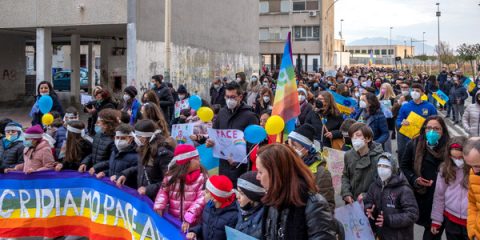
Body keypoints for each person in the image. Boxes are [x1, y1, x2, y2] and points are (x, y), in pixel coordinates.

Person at [256, 144, 336, 239]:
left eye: (260, 172)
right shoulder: (273, 200)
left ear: (277, 173)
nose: (257, 177)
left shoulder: (314, 204)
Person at [400, 116, 450, 240]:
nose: (432, 132)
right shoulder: (415, 143)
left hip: (441, 199)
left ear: (443, 131)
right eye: (428, 128)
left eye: (436, 129)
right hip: (420, 195)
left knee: (432, 235)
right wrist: (414, 179)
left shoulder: (449, 147)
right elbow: (404, 165)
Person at [206, 82, 259, 186]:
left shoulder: (250, 116)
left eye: (233, 97)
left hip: (241, 167)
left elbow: (254, 145)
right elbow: (215, 133)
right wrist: (210, 141)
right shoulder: (222, 113)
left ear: (240, 97)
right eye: (227, 97)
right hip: (223, 165)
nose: (230, 100)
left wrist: (240, 157)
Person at [364, 152, 419, 240]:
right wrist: (369, 209)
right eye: (379, 165)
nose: (381, 169)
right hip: (381, 234)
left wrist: (388, 220)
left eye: (386, 166)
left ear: (393, 168)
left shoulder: (404, 189)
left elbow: (412, 214)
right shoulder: (374, 186)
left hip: (399, 236)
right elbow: (368, 201)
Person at [154, 144, 208, 233]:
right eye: (196, 159)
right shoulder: (170, 176)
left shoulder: (202, 177)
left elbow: (201, 200)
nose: (200, 160)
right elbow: (163, 191)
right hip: (174, 221)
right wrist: (159, 204)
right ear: (187, 162)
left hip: (192, 224)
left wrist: (189, 217)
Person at [116, 119, 174, 200]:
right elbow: (142, 168)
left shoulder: (163, 154)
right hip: (144, 198)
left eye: (138, 137)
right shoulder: (143, 148)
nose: (136, 139)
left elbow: (171, 180)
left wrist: (148, 189)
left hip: (157, 200)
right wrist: (125, 174)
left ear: (144, 138)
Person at [287, 124, 335, 212]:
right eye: (289, 145)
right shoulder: (287, 166)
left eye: (294, 146)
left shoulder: (321, 173)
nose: (290, 149)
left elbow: (327, 206)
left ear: (306, 149)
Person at [431, 137, 469, 240]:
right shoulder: (445, 169)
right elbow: (439, 195)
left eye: (460, 158)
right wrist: (436, 220)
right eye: (454, 158)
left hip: (471, 221)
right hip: (451, 218)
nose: (457, 161)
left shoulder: (474, 169)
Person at [341, 122, 384, 204]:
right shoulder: (348, 155)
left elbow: (382, 184)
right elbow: (345, 176)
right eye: (352, 136)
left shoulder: (379, 158)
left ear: (368, 139)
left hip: (371, 203)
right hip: (352, 202)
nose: (354, 138)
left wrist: (366, 195)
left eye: (358, 135)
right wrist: (346, 193)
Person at [187, 175, 238, 240]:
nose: (203, 193)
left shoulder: (233, 217)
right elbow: (203, 224)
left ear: (215, 197)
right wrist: (194, 231)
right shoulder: (208, 206)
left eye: (207, 192)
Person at [396, 83, 437, 160]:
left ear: (422, 93)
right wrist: (401, 123)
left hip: (424, 138)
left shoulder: (430, 106)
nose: (414, 92)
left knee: (421, 158)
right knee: (409, 157)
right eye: (413, 90)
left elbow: (436, 121)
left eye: (417, 91)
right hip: (408, 138)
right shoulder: (405, 106)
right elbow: (398, 120)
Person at [79, 109, 118, 174]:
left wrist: (96, 167)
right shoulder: (98, 135)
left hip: (104, 173)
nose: (96, 124)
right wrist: (84, 163)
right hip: (94, 171)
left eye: (98, 122)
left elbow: (112, 160)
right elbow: (93, 153)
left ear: (107, 124)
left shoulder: (115, 139)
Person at [234, 171, 265, 239]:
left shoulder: (263, 219)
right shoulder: (241, 209)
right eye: (237, 192)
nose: (237, 197)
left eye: (241, 193)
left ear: (252, 196)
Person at [462, 138, 480, 240]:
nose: (474, 170)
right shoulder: (473, 172)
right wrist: (472, 231)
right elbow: (472, 204)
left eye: (478, 166)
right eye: (471, 166)